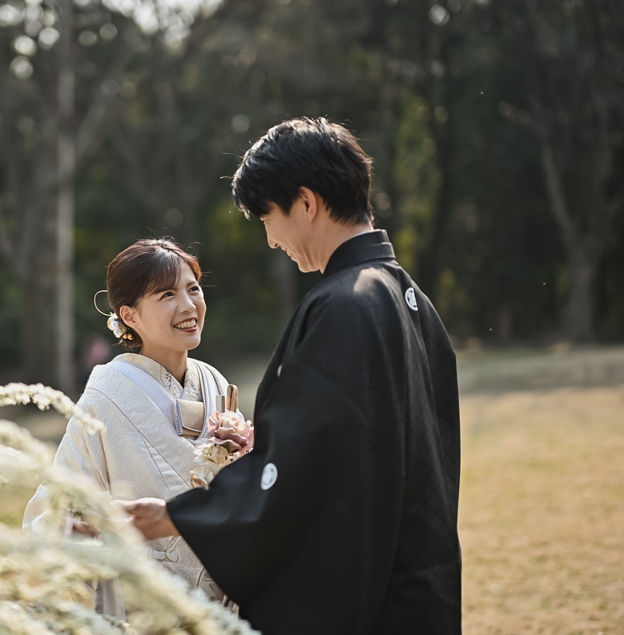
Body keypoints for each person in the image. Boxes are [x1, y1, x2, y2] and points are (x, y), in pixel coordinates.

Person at [122, 118, 462, 634]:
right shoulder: (409, 297)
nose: (270, 239)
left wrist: (176, 516)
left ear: (305, 203)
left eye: (268, 217)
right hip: (417, 579)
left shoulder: (344, 306)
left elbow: (301, 469)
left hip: (369, 602)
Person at [23, 238, 240, 619]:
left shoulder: (215, 382)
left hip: (229, 592)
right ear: (130, 316)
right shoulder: (105, 398)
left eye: (193, 288)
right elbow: (58, 507)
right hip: (149, 604)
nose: (189, 305)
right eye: (167, 294)